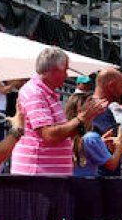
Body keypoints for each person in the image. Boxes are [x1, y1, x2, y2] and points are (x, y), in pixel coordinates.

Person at [12, 46, 106, 175]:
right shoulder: (35, 93)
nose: (67, 75)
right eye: (65, 70)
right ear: (54, 70)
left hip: (47, 175)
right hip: (39, 175)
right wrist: (81, 118)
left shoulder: (46, 93)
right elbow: (49, 135)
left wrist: (86, 117)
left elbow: (63, 135)